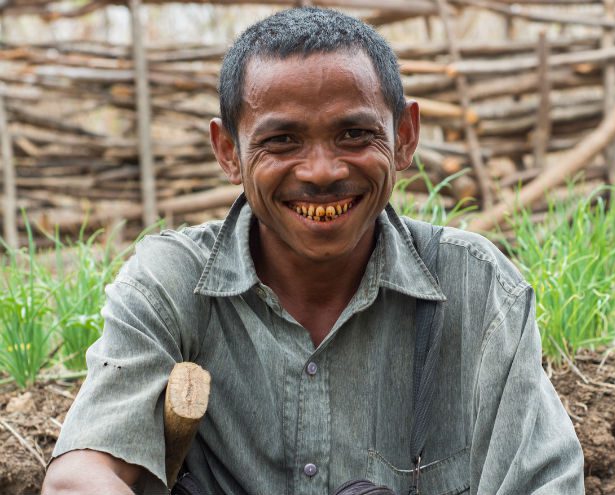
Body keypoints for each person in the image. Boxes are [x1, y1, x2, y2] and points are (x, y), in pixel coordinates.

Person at [42, 7, 583, 495]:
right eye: (282, 141)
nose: (322, 171)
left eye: (354, 134)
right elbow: (79, 478)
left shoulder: (480, 290)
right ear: (229, 152)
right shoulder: (171, 284)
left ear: (405, 137)